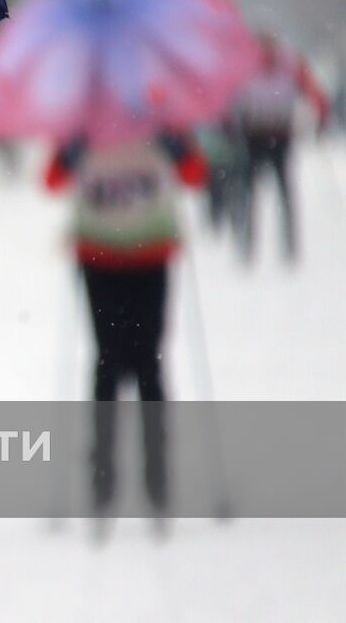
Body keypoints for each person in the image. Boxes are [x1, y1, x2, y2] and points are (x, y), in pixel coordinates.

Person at [45, 132, 207, 521]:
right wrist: (71, 153)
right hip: (100, 257)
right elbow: (51, 180)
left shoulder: (160, 120)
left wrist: (177, 147)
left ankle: (156, 472)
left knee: (146, 362)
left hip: (148, 254)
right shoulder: (85, 121)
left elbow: (197, 173)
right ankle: (104, 474)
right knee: (109, 361)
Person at [233, 34, 330, 262]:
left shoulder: (289, 65)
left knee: (282, 191)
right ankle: (248, 245)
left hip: (278, 135)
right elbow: (227, 96)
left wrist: (322, 117)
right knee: (251, 193)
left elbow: (313, 91)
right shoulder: (243, 65)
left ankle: (289, 246)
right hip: (253, 136)